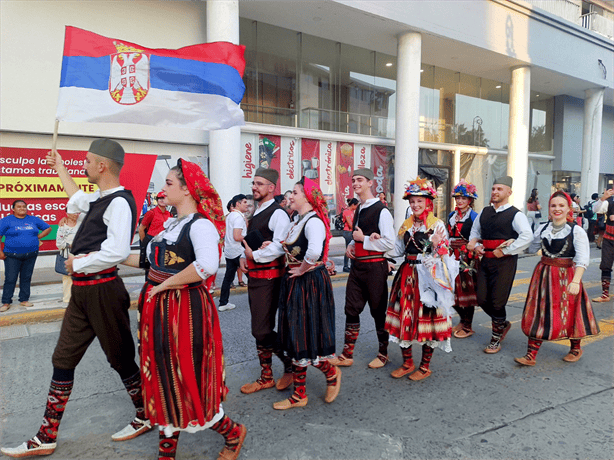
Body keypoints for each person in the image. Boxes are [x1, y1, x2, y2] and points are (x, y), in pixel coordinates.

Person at [1, 139, 148, 458]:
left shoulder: (120, 203)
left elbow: (118, 251)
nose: (83, 165)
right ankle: (46, 436)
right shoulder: (99, 198)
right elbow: (76, 196)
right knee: (62, 359)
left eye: (86, 161)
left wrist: (77, 262)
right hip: (83, 292)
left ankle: (145, 414)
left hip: (103, 290)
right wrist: (60, 169)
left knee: (121, 358)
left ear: (102, 166)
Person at [122, 160, 246, 460]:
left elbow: (204, 266)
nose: (162, 189)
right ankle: (167, 452)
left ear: (187, 190)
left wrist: (163, 287)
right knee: (163, 376)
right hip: (160, 308)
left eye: (168, 183)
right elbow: (147, 263)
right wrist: (106, 256)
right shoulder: (169, 224)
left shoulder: (199, 225)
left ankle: (232, 431)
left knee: (187, 376)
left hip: (184, 310)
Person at [274, 177, 340, 410]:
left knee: (306, 336)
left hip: (309, 283)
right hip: (297, 282)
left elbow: (313, 252)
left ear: (307, 197)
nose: (290, 196)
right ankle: (300, 394)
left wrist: (301, 269)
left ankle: (331, 374)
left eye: (295, 192)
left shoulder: (313, 222)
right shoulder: (297, 220)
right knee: (296, 336)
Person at [383, 178, 458, 381]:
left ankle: (425, 366)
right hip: (406, 274)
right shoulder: (406, 225)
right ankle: (407, 363)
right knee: (404, 318)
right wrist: (380, 246)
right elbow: (398, 250)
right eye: (412, 201)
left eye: (419, 201)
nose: (415, 205)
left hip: (428, 278)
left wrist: (434, 247)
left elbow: (444, 255)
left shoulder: (437, 225)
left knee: (429, 319)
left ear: (428, 203)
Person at [515, 191, 599, 366]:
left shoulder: (576, 231)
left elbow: (582, 259)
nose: (557, 209)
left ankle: (576, 347)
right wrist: (514, 242)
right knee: (538, 310)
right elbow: (532, 249)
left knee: (571, 311)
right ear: (549, 208)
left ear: (569, 208)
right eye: (553, 205)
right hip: (543, 274)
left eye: (561, 205)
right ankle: (531, 353)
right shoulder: (543, 228)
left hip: (566, 276)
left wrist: (576, 281)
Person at [329, 168, 395, 369]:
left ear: (370, 183)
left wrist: (363, 239)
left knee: (378, 311)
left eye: (360, 180)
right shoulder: (359, 208)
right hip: (358, 268)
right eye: (354, 180)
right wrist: (352, 245)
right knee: (351, 308)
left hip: (375, 267)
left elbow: (389, 243)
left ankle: (383, 354)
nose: (356, 183)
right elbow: (357, 235)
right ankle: (347, 354)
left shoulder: (382, 210)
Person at [239, 168, 293, 394]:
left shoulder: (278, 213)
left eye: (260, 184)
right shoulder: (259, 211)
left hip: (270, 277)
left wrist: (254, 256)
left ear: (272, 188)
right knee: (259, 328)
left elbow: (281, 246)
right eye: (253, 183)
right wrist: (245, 256)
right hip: (257, 277)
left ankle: (291, 363)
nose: (254, 187)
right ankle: (267, 375)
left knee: (261, 330)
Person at [467, 176, 533, 354]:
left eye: (499, 189)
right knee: (481, 298)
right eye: (494, 189)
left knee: (497, 301)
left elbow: (527, 236)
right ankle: (502, 323)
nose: (495, 192)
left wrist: (505, 251)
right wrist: (475, 244)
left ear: (509, 192)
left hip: (505, 262)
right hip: (486, 260)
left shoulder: (515, 214)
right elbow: (475, 230)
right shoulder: (485, 212)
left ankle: (495, 338)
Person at [0, 200, 51, 312]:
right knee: (10, 278)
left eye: (24, 206)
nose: (22, 208)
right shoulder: (6, 221)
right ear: (13, 209)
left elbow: (48, 228)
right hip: (12, 255)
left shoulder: (33, 219)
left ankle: (24, 299)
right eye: (19, 207)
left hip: (31, 254)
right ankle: (6, 302)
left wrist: (37, 237)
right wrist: (0, 252)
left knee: (26, 278)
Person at [447, 179, 479, 338]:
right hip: (451, 255)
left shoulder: (475, 217)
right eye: (457, 198)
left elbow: (479, 237)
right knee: (452, 290)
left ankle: (468, 325)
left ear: (470, 200)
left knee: (466, 290)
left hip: (467, 256)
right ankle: (462, 319)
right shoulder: (452, 215)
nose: (460, 201)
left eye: (464, 198)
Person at [219, 194, 248, 312]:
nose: (247, 205)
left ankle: (223, 303)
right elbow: (237, 236)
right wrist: (248, 238)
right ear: (238, 204)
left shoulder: (230, 216)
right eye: (245, 202)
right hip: (239, 252)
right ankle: (261, 303)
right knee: (253, 276)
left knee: (228, 278)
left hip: (230, 251)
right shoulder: (238, 217)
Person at [138, 191, 171, 272]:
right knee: (149, 268)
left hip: (162, 242)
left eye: (164, 198)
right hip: (151, 240)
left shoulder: (169, 214)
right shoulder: (151, 213)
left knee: (161, 267)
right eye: (160, 198)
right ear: (157, 200)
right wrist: (144, 242)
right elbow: (141, 228)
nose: (162, 200)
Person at [55, 211, 83, 305]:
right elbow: (59, 244)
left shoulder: (82, 223)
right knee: (67, 278)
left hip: (81, 256)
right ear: (67, 213)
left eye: (77, 213)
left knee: (82, 277)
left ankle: (80, 299)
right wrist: (71, 245)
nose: (76, 215)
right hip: (67, 256)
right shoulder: (63, 226)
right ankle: (67, 300)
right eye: (73, 212)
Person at [593, 188, 614, 302]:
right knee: (606, 265)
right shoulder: (609, 200)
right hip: (609, 237)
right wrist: (602, 198)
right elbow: (596, 210)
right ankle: (605, 294)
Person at [342, 198, 359, 273]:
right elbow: (349, 224)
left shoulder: (352, 212)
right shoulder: (347, 212)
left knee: (352, 249)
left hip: (351, 232)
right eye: (356, 205)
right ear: (353, 205)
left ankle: (352, 265)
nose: (357, 207)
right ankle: (345, 266)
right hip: (348, 232)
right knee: (348, 249)